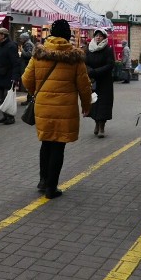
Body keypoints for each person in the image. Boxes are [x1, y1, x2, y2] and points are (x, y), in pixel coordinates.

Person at [22, 18, 92, 199]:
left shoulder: (39, 54)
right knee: (58, 147)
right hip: (65, 109)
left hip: (43, 107)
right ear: (68, 35)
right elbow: (84, 86)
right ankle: (51, 188)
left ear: (51, 34)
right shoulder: (75, 57)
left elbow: (26, 80)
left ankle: (43, 181)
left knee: (46, 143)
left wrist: (38, 92)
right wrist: (86, 105)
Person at [85, 28, 115, 138]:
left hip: (105, 81)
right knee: (94, 103)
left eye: (100, 35)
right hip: (93, 81)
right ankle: (96, 124)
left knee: (104, 104)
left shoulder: (108, 50)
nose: (98, 37)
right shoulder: (89, 49)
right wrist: (89, 71)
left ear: (104, 37)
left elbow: (110, 64)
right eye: (96, 35)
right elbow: (85, 62)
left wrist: (96, 71)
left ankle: (102, 126)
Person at [0, 27, 21, 124]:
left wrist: (15, 77)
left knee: (7, 97)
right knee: (1, 98)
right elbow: (0, 60)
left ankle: (10, 117)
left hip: (8, 76)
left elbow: (16, 63)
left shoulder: (11, 46)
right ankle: (5, 116)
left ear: (3, 36)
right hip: (0, 74)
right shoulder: (1, 45)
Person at [18, 32, 34, 104]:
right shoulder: (28, 44)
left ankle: (29, 100)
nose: (20, 40)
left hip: (27, 65)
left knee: (27, 81)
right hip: (27, 64)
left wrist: (21, 50)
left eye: (21, 38)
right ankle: (29, 99)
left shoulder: (28, 44)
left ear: (24, 39)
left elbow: (28, 54)